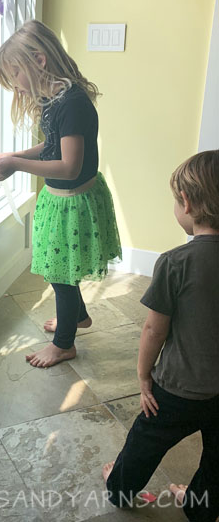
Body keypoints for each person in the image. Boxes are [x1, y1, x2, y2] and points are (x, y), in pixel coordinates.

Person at [0, 19, 122, 367]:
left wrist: (17, 166)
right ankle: (76, 318)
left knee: (62, 274)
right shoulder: (54, 98)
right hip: (59, 200)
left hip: (73, 203)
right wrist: (14, 156)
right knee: (57, 265)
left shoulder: (72, 103)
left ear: (39, 61)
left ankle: (65, 344)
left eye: (15, 73)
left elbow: (69, 167)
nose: (15, 85)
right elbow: (52, 146)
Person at [103, 150, 219, 521]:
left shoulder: (174, 263)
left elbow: (154, 328)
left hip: (176, 389)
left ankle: (120, 486)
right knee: (217, 459)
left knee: (144, 442)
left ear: (186, 202)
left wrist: (143, 376)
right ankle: (202, 506)